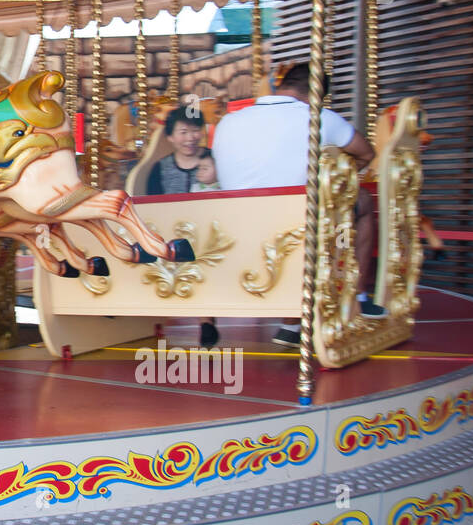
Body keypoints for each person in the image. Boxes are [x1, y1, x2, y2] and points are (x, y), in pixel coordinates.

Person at [212, 62, 382, 347]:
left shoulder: (228, 121)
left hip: (237, 226)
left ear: (283, 85)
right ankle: (358, 295)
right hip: (297, 225)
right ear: (317, 94)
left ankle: (291, 324)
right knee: (362, 202)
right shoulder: (320, 117)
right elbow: (367, 154)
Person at [146, 107, 209, 195]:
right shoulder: (160, 169)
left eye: (195, 130)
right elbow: (153, 206)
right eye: (183, 132)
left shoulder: (215, 160)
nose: (190, 138)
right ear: (170, 137)